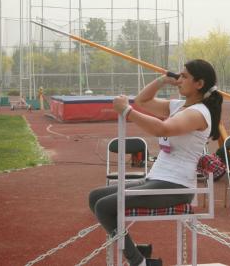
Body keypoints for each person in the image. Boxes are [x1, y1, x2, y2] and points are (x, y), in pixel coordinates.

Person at [88, 59, 222, 266]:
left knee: (104, 207)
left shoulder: (198, 113)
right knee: (96, 196)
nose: (179, 79)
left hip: (176, 185)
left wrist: (127, 112)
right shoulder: (179, 106)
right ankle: (135, 250)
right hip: (158, 178)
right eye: (179, 74)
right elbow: (142, 100)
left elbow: (163, 129)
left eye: (184, 76)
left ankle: (138, 261)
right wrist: (162, 81)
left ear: (199, 83)